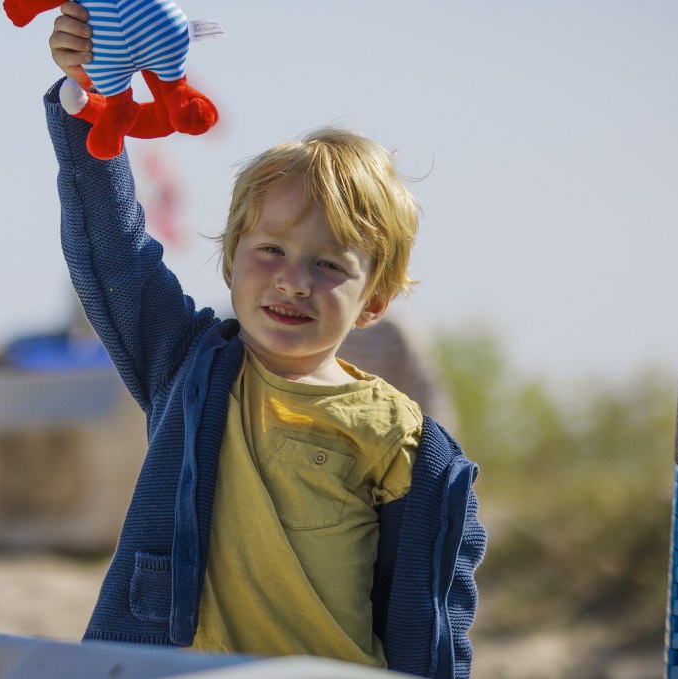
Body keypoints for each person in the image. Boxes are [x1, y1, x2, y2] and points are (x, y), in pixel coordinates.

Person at [39, 4, 483, 676]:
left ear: (377, 300)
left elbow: (431, 608)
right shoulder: (186, 367)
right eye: (271, 249)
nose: (294, 281)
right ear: (230, 260)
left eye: (330, 264)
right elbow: (114, 253)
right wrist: (87, 101)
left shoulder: (406, 441)